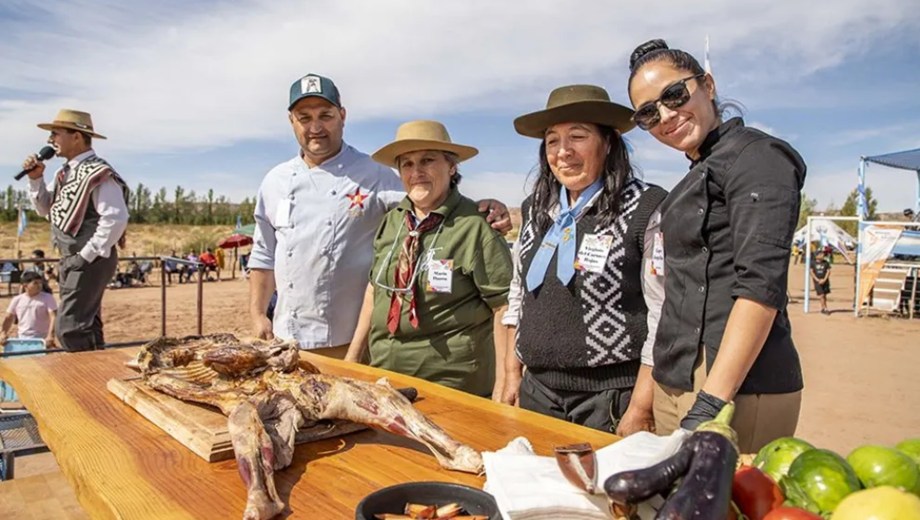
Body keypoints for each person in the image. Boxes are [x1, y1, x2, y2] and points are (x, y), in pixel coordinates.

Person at [249, 73, 511, 357]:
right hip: (284, 335)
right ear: (292, 121)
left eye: (325, 115)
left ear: (342, 116)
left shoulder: (373, 173)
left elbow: (428, 192)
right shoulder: (274, 181)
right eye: (304, 117)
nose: (315, 127)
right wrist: (258, 313)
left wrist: (485, 208)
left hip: (349, 339)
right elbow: (264, 254)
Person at [628, 39, 805, 452]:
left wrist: (710, 401)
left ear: (707, 84)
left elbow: (761, 286)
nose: (666, 115)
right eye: (648, 113)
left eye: (674, 95)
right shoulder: (697, 173)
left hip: (734, 390)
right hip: (677, 384)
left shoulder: (758, 157)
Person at [501, 85, 667, 435]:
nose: (563, 152)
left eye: (578, 136)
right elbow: (519, 294)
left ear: (608, 143)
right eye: (552, 141)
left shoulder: (645, 208)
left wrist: (640, 405)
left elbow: (662, 312)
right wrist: (512, 373)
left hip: (609, 398)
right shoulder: (536, 209)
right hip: (538, 392)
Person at [344, 121, 513, 397]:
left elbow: (504, 307)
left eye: (427, 161)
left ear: (452, 166)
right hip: (385, 378)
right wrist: (352, 359)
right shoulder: (392, 221)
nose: (416, 172)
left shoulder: (475, 225)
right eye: (407, 164)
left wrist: (503, 385)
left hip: (452, 385)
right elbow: (375, 290)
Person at [23, 109, 129, 352]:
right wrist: (36, 180)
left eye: (56, 134)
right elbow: (44, 208)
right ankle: (96, 379)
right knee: (87, 324)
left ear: (77, 136)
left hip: (89, 257)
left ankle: (83, 380)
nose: (51, 140)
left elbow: (115, 217)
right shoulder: (65, 173)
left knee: (69, 328)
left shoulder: (97, 172)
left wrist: (86, 255)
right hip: (74, 257)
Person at [0, 271, 58, 348]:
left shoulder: (47, 298)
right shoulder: (17, 300)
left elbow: (53, 317)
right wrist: (3, 333)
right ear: (25, 285)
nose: (39, 285)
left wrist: (50, 335)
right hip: (23, 339)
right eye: (35, 283)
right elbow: (9, 317)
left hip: (42, 339)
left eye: (40, 283)